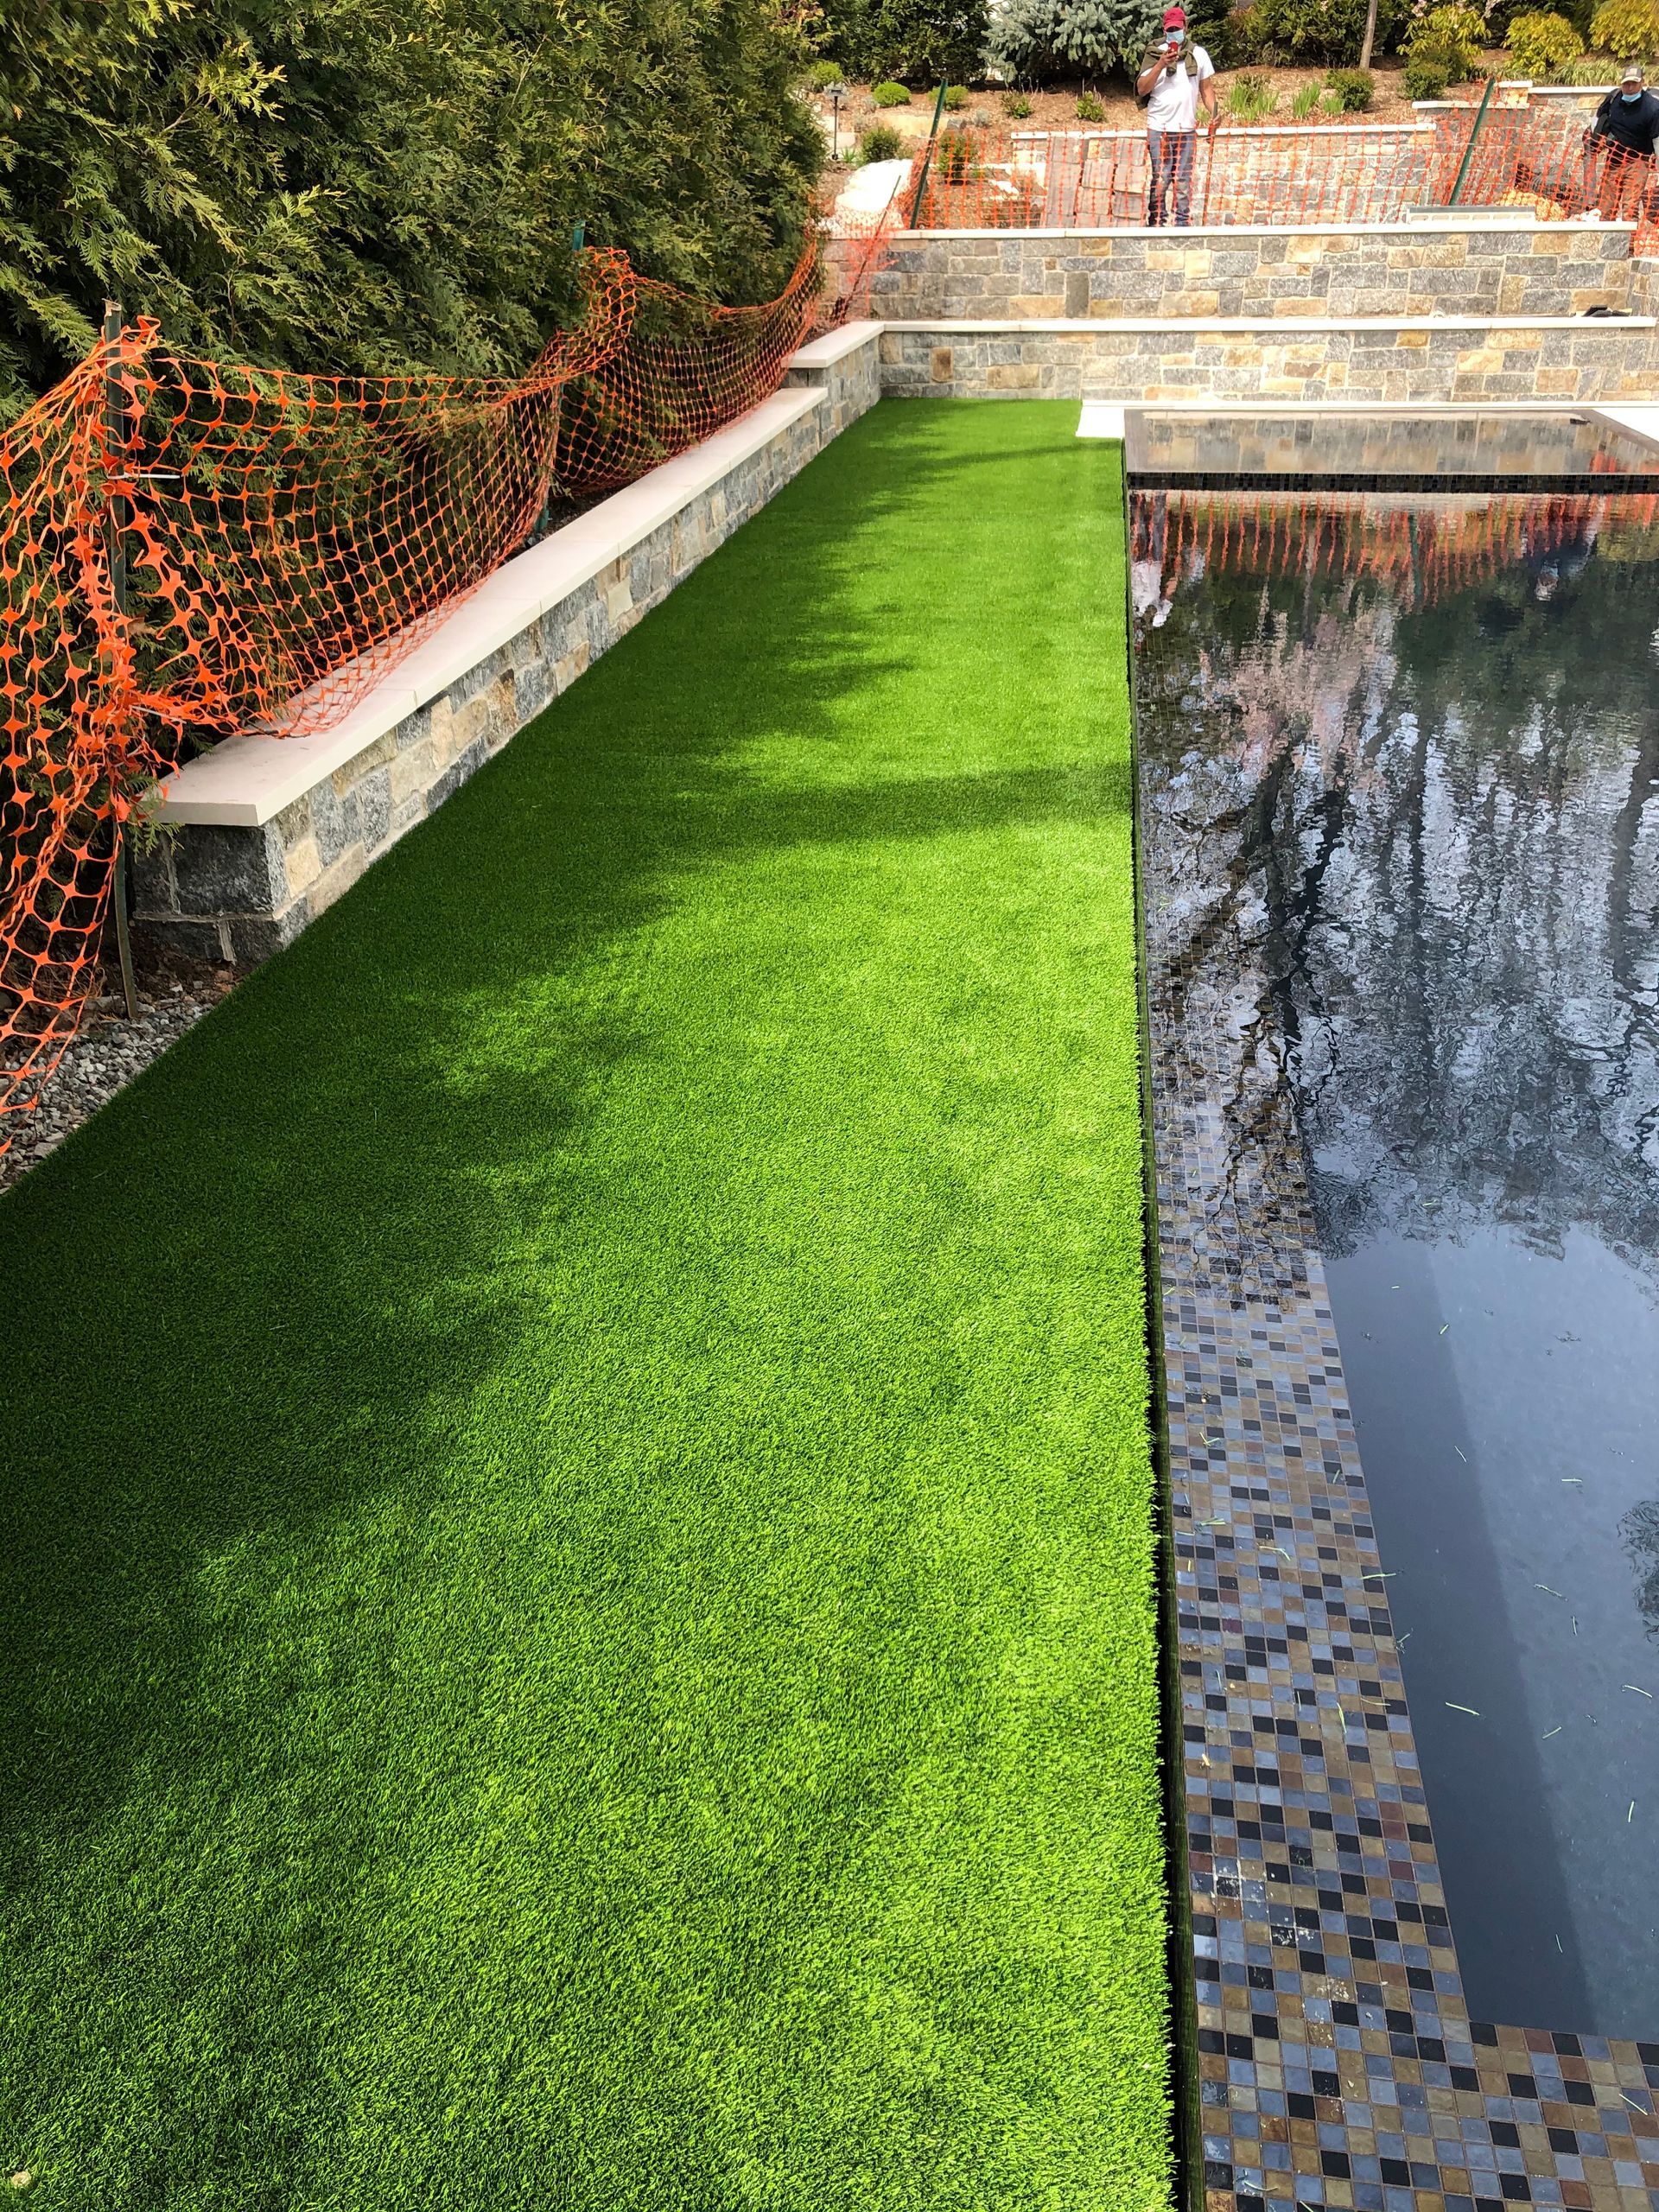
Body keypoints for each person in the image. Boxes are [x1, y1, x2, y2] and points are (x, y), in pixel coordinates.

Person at [1136, 5, 1218, 228]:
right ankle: (1156, 223)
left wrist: (1215, 112)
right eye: (1170, 29)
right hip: (1159, 127)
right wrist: (1161, 64)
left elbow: (1207, 89)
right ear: (1164, 30)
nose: (1174, 33)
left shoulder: (1198, 54)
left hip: (1186, 129)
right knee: (1161, 179)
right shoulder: (1154, 53)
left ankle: (1182, 224)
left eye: (1177, 28)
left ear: (1186, 27)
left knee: (1183, 180)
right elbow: (1142, 88)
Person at [1581, 64, 1659, 221]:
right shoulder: (1613, 99)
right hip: (1614, 160)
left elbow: (1657, 139)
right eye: (1626, 83)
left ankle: (1628, 246)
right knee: (1605, 209)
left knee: (1630, 209)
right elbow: (1598, 121)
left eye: (1634, 83)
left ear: (1642, 83)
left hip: (1637, 162)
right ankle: (1606, 245)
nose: (1629, 87)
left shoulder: (1652, 108)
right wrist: (1593, 143)